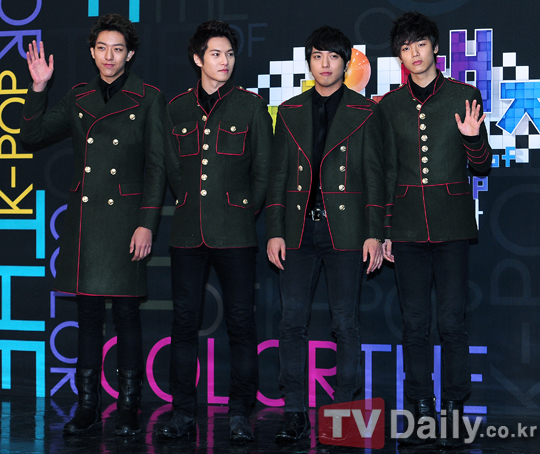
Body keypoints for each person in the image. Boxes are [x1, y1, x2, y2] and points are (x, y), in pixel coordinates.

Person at [20, 14, 167, 436]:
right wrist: (39, 87)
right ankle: (87, 405)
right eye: (102, 48)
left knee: (126, 314)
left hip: (126, 221)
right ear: (91, 52)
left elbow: (157, 167)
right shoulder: (77, 96)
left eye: (117, 49)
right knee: (87, 315)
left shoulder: (149, 98)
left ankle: (129, 406)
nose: (109, 56)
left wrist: (147, 224)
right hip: (86, 221)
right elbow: (31, 135)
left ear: (130, 54)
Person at [266, 26, 384, 442]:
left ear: (346, 62)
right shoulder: (289, 110)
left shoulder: (365, 111)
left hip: (346, 231)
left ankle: (343, 417)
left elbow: (375, 177)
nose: (325, 64)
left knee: (345, 324)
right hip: (297, 231)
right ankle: (295, 413)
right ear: (309, 62)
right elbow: (278, 176)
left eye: (333, 57)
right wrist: (275, 230)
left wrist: (374, 233)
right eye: (318, 56)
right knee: (291, 323)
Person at [379, 11, 492, 448]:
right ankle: (421, 409)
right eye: (406, 48)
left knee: (451, 322)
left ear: (435, 48)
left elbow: (481, 165)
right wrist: (385, 229)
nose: (414, 53)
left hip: (452, 225)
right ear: (400, 56)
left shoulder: (464, 95)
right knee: (414, 324)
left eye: (420, 44)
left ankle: (455, 411)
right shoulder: (389, 105)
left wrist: (472, 138)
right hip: (406, 228)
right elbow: (387, 172)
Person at [159, 20, 273, 442]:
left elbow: (263, 171)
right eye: (215, 54)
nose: (224, 61)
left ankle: (240, 411)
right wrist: (193, 201)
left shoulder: (250, 106)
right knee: (183, 323)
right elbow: (173, 168)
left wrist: (242, 209)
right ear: (197, 58)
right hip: (188, 231)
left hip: (236, 232)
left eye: (229, 54)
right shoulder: (177, 108)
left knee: (241, 323)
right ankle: (182, 412)